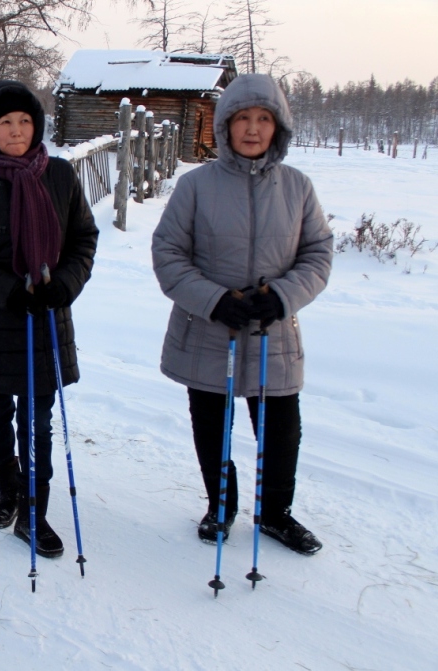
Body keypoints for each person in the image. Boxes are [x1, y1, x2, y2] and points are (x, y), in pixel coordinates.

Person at [151, 73, 333, 556]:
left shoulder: (298, 188)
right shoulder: (195, 186)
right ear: (226, 125)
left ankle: (275, 514)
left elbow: (318, 253)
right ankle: (222, 504)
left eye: (264, 119)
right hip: (210, 331)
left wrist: (283, 296)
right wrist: (215, 300)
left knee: (281, 432)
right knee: (212, 427)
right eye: (243, 119)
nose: (253, 129)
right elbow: (168, 254)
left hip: (274, 332)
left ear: (279, 128)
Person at [0, 80, 98, 558]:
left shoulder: (61, 177)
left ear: (37, 125)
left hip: (45, 318)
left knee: (39, 422)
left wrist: (64, 284)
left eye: (25, 120)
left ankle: (34, 511)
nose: (16, 130)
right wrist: (7, 289)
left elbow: (83, 240)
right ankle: (7, 489)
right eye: (5, 122)